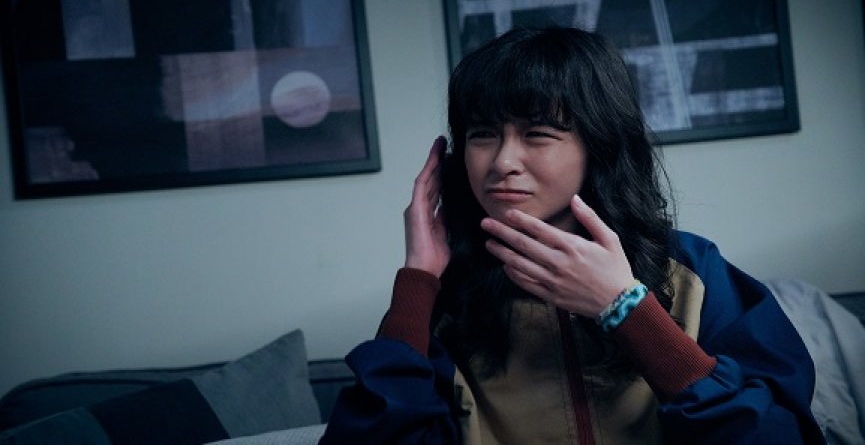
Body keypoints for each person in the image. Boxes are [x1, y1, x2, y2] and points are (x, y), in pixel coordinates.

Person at [319, 27, 825, 445]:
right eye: (482, 134)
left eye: (537, 134)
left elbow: (781, 436)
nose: (502, 161)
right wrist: (417, 278)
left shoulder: (691, 270)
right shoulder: (444, 296)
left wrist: (626, 309)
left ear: (599, 145)